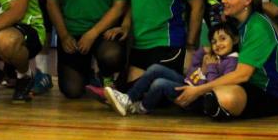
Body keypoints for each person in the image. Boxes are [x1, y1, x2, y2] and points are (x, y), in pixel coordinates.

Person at [175, 0, 278, 120]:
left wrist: (198, 90)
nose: (223, 0)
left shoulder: (258, 27)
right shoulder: (234, 23)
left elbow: (242, 75)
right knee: (178, 84)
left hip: (267, 93)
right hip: (239, 83)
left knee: (226, 97)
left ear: (247, 0)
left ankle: (206, 101)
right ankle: (203, 100)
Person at [103, 22, 240, 116]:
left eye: (222, 39)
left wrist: (208, 69)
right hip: (190, 84)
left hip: (198, 98)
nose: (217, 44)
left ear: (234, 40)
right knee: (155, 68)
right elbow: (191, 74)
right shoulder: (213, 56)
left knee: (160, 84)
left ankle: (141, 107)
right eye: (214, 41)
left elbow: (216, 88)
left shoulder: (232, 62)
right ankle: (128, 98)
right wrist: (200, 58)